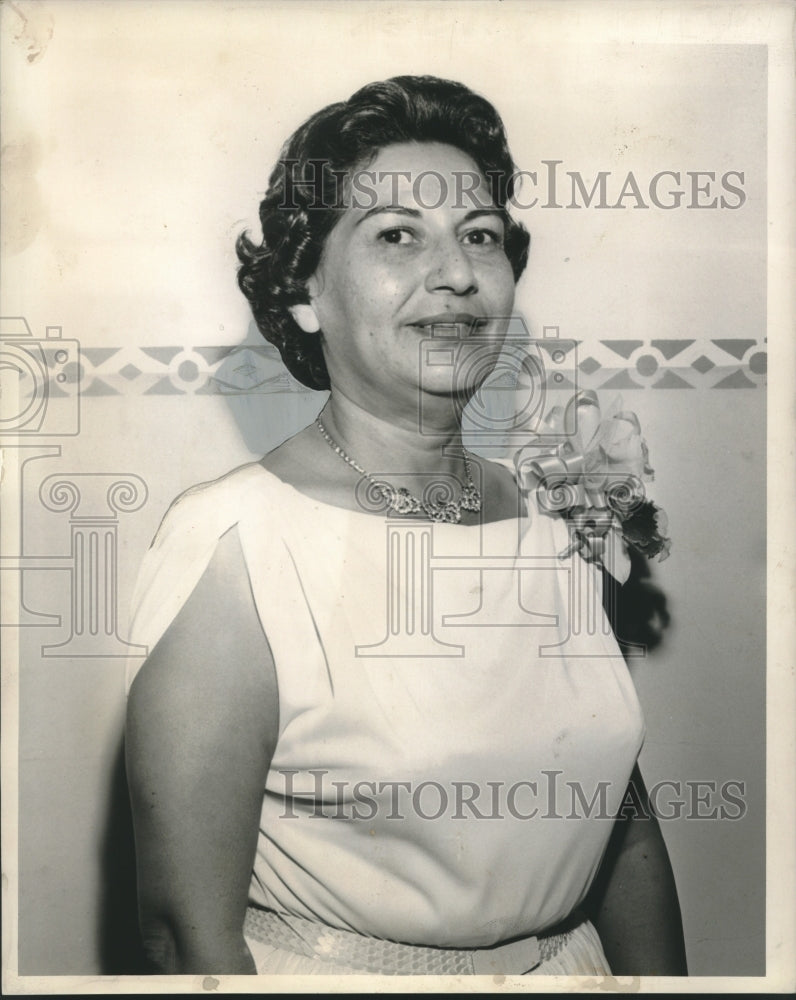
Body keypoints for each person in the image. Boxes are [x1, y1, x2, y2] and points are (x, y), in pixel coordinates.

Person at [124, 75, 688, 977]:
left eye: (480, 237)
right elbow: (184, 935)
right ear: (305, 289)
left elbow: (615, 820)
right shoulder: (234, 544)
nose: (458, 274)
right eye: (397, 237)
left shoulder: (556, 516)